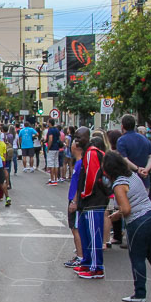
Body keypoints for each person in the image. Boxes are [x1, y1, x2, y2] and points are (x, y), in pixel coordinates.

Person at [104, 151, 151, 302]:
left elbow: (126, 209)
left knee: (137, 257)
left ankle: (140, 293)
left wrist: (116, 215)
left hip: (138, 221)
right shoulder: (132, 176)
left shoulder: (119, 184)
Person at [75, 127, 108, 279]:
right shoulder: (87, 153)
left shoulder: (91, 153)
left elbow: (91, 177)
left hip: (93, 202)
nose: (76, 140)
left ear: (87, 137)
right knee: (85, 233)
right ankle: (87, 262)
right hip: (86, 203)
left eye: (79, 137)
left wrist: (84, 194)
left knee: (94, 236)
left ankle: (96, 268)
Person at [116, 114, 151, 192]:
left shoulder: (122, 140)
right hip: (144, 181)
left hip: (128, 181)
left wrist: (137, 169)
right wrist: (146, 170)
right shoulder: (144, 139)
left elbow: (124, 159)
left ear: (122, 126)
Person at [64, 139, 84, 269]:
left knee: (75, 228)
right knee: (75, 228)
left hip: (76, 200)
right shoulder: (79, 163)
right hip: (74, 198)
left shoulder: (80, 164)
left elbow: (80, 185)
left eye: (71, 145)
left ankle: (80, 256)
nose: (69, 147)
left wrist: (74, 201)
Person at [45, 118, 62, 185]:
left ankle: (52, 179)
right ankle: (56, 178)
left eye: (47, 122)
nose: (47, 123)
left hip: (52, 148)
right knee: (56, 163)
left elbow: (50, 139)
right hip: (57, 148)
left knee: (51, 164)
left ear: (50, 123)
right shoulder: (57, 130)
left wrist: (48, 147)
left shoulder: (50, 130)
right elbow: (59, 138)